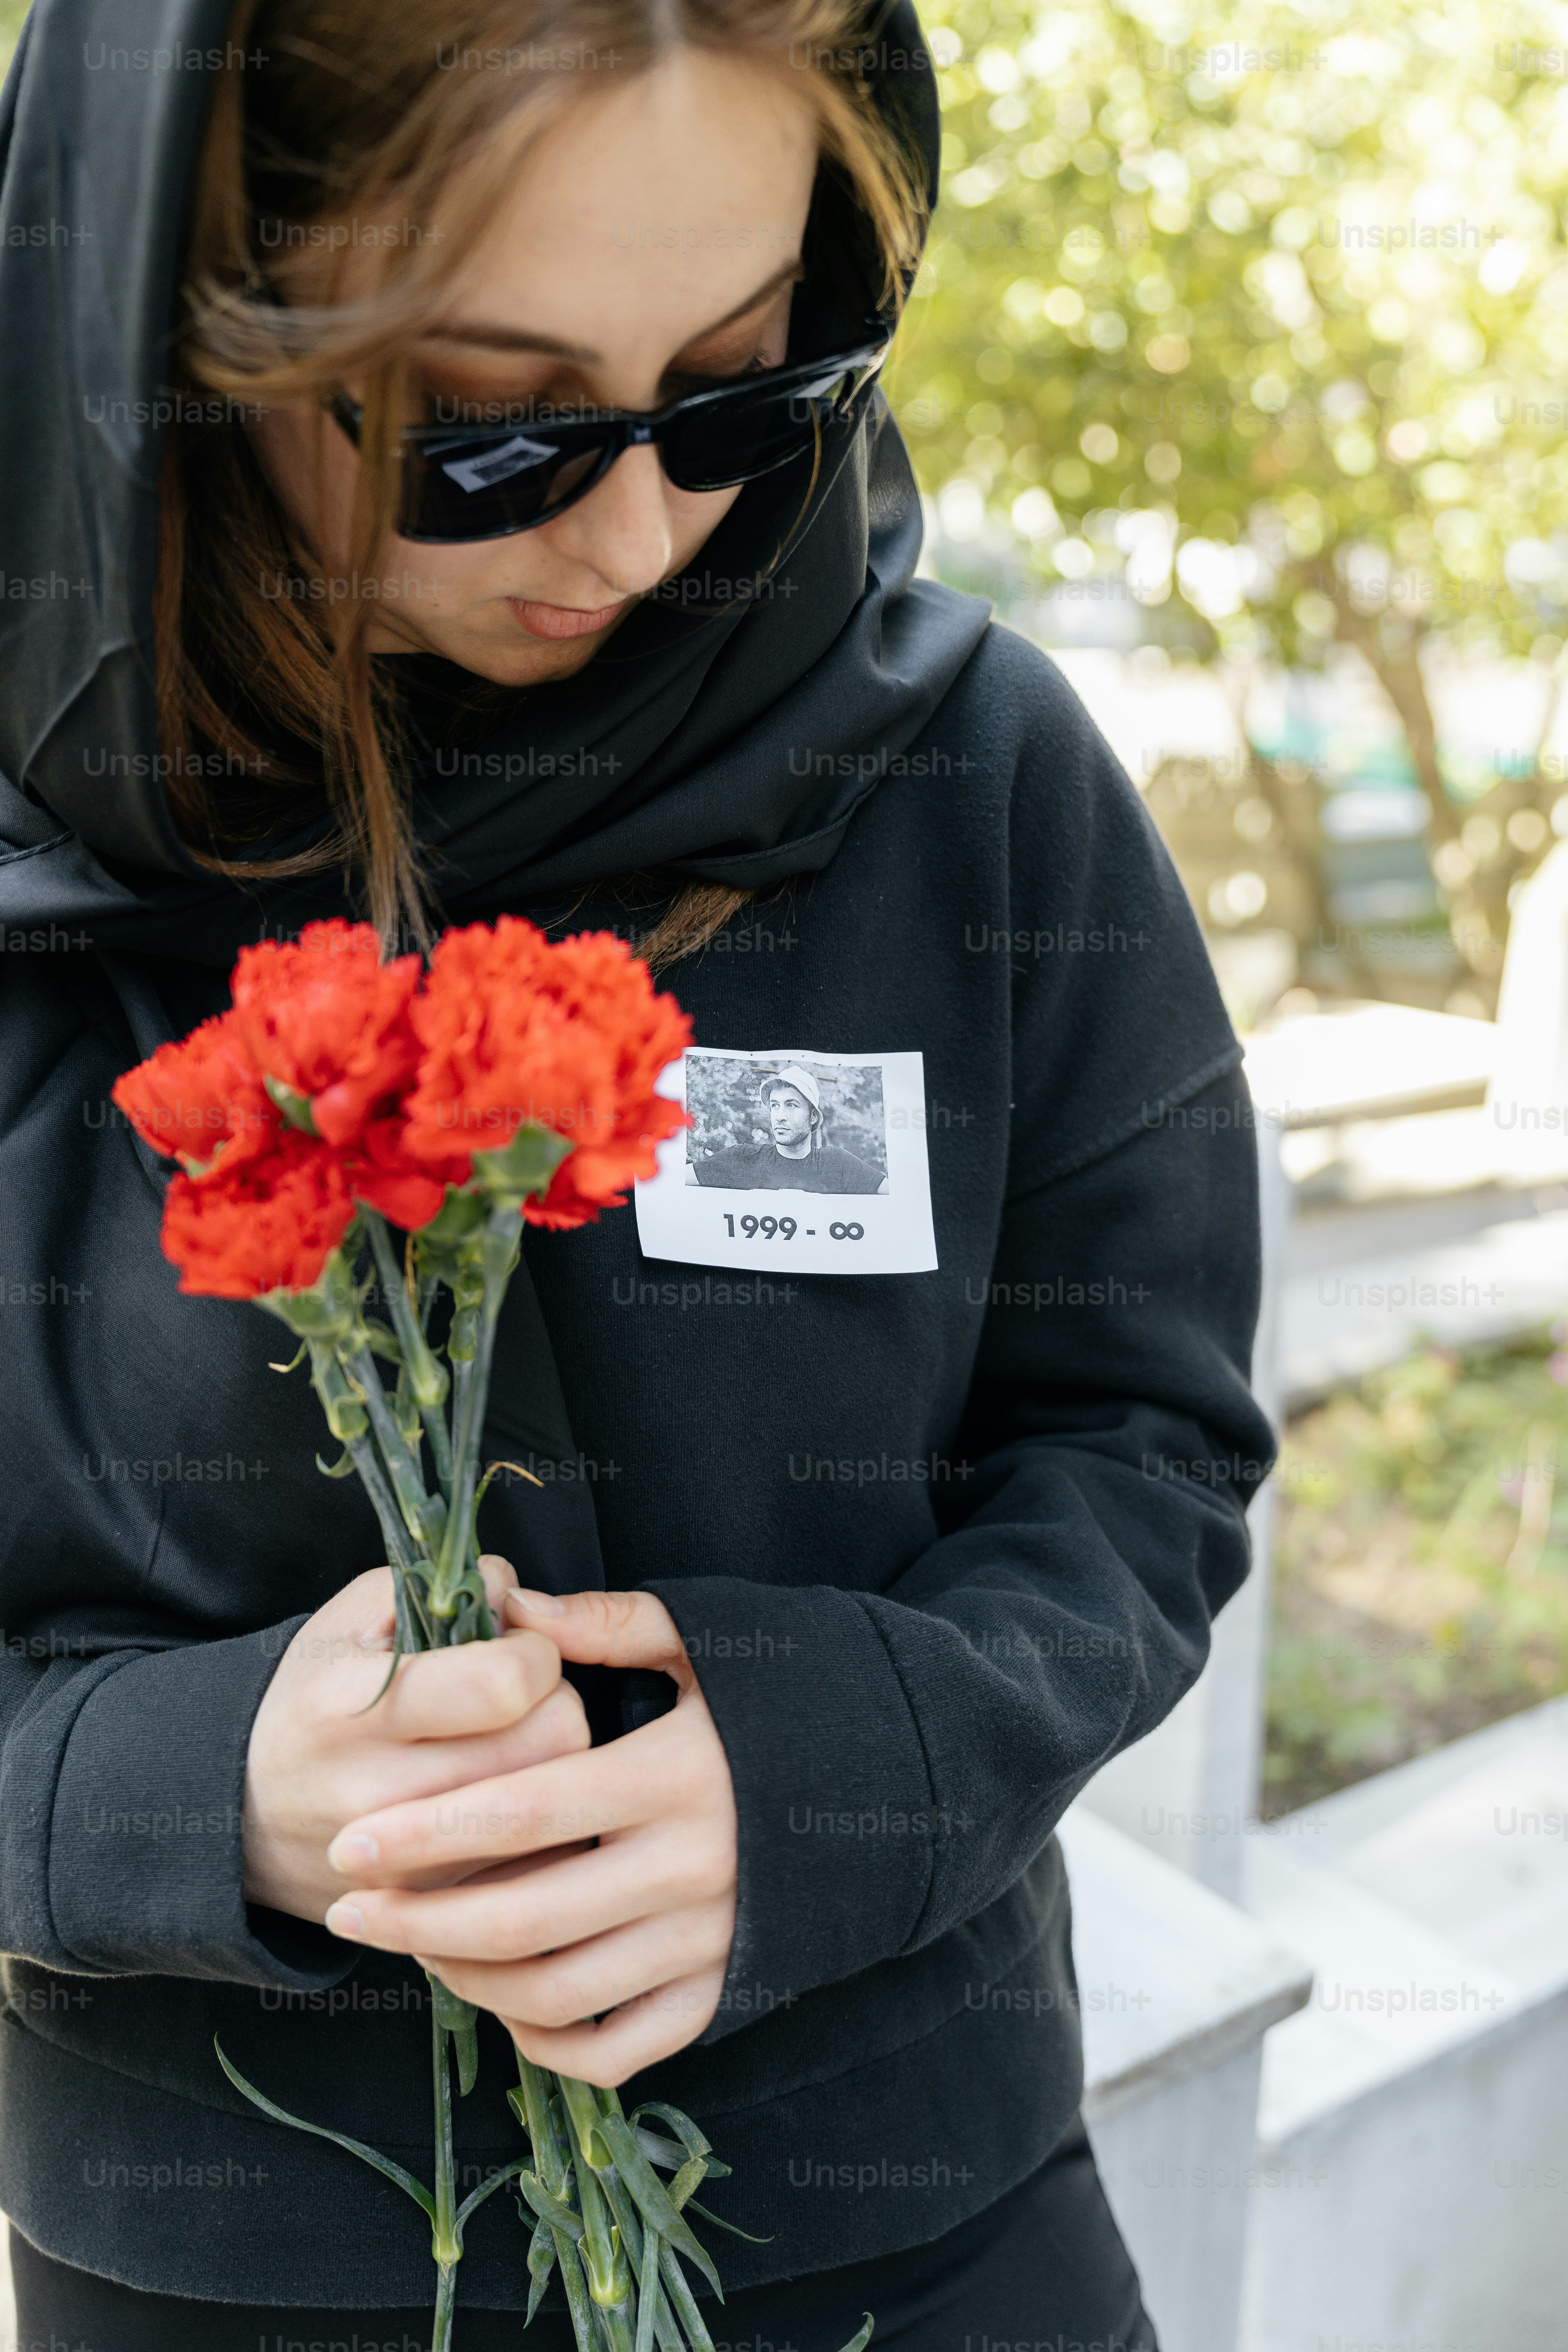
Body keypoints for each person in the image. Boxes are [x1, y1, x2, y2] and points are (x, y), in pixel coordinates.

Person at [0, 2, 1275, 2347]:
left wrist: (860, 1755)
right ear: (173, 336)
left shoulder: (965, 773)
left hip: (921, 2217)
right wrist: (197, 1793)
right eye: (489, 433)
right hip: (225, 2261)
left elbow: (1143, 1436)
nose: (633, 530)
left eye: (738, 387)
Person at [691, 1065, 887, 1190]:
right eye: (775, 1106)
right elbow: (673, 1181)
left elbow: (896, 1195)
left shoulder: (837, 1164)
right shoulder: (742, 1159)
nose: (780, 1117)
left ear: (812, 1116)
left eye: (791, 1105)